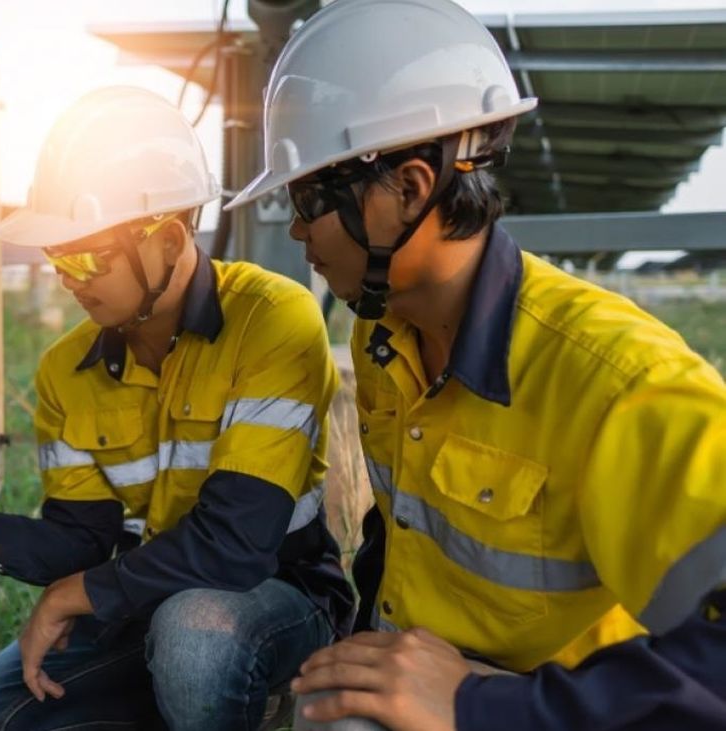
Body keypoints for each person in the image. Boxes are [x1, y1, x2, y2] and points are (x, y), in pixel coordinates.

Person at [224, 1, 726, 729]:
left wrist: (480, 705)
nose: (297, 227)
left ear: (409, 188)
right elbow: (400, 535)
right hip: (435, 668)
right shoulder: (385, 339)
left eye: (308, 196)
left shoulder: (621, 383)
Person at [0, 86, 354, 730]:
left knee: (195, 637)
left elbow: (237, 544)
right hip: (143, 599)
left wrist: (73, 597)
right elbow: (83, 543)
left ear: (168, 240)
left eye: (89, 256)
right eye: (59, 255)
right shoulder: (66, 370)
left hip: (277, 595)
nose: (70, 278)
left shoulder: (273, 319)